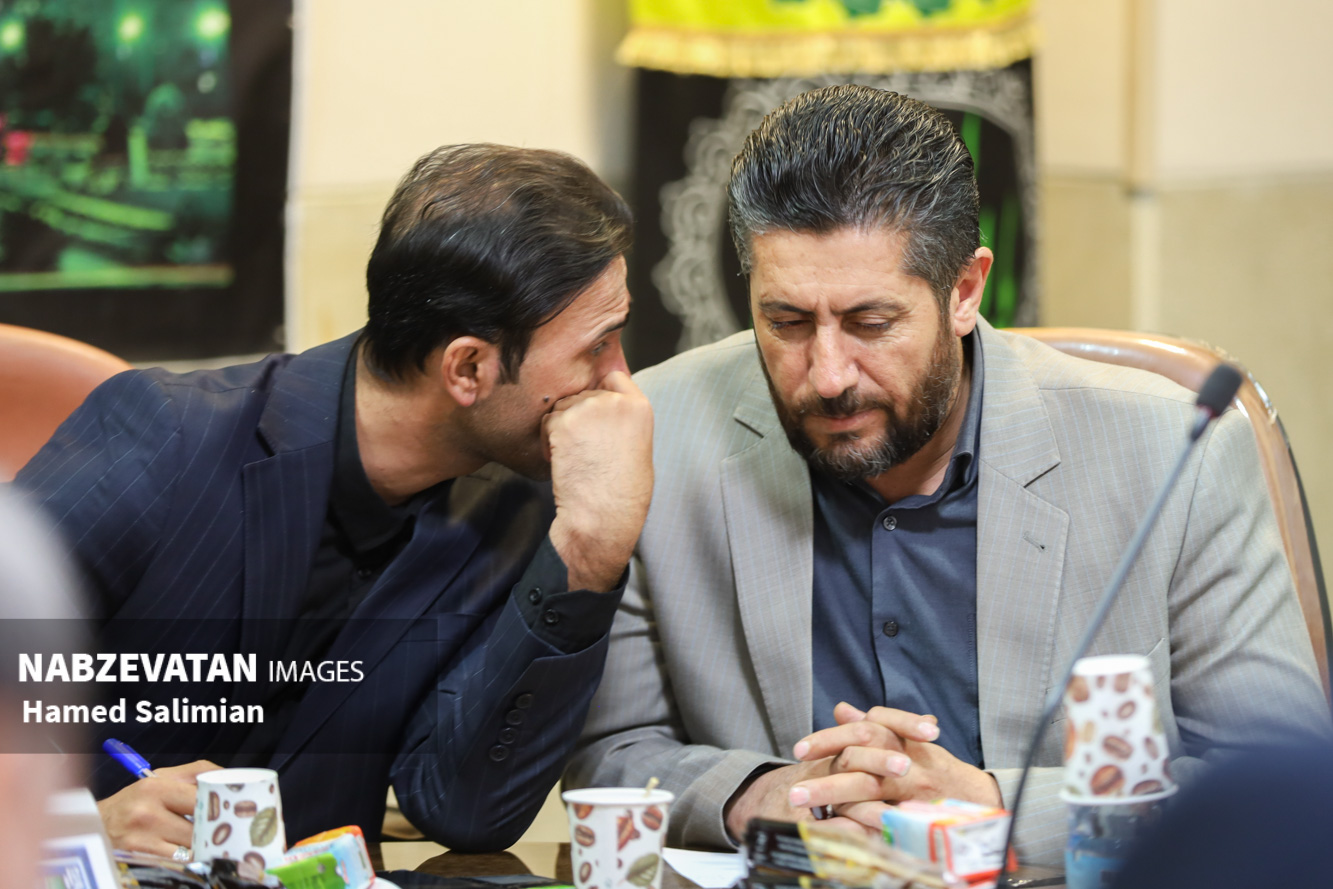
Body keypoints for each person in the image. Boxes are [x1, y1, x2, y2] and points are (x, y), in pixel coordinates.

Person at [563, 85, 1330, 865]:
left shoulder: (1171, 450)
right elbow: (611, 752)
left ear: (964, 291)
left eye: (870, 323)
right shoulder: (658, 432)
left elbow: (1275, 782)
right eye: (786, 322)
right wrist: (760, 795)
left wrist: (991, 806)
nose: (827, 375)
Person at [13, 143, 654, 857]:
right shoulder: (166, 434)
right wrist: (78, 825)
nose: (620, 380)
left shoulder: (520, 507)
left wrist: (589, 554)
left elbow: (465, 812)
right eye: (597, 347)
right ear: (468, 367)